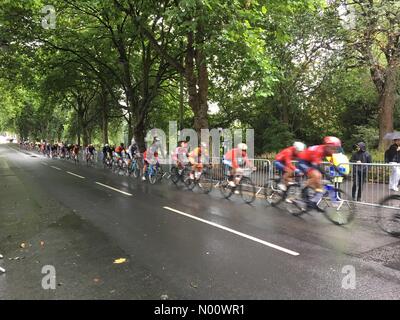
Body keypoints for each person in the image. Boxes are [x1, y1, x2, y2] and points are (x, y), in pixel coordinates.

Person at [297, 136, 342, 210]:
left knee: (318, 181)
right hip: (303, 161)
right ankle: (303, 187)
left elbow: (333, 164)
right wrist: (327, 175)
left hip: (310, 161)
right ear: (327, 146)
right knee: (317, 175)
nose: (334, 150)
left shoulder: (329, 152)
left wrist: (341, 173)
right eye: (333, 148)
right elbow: (317, 166)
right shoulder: (319, 150)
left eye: (336, 148)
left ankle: (313, 201)